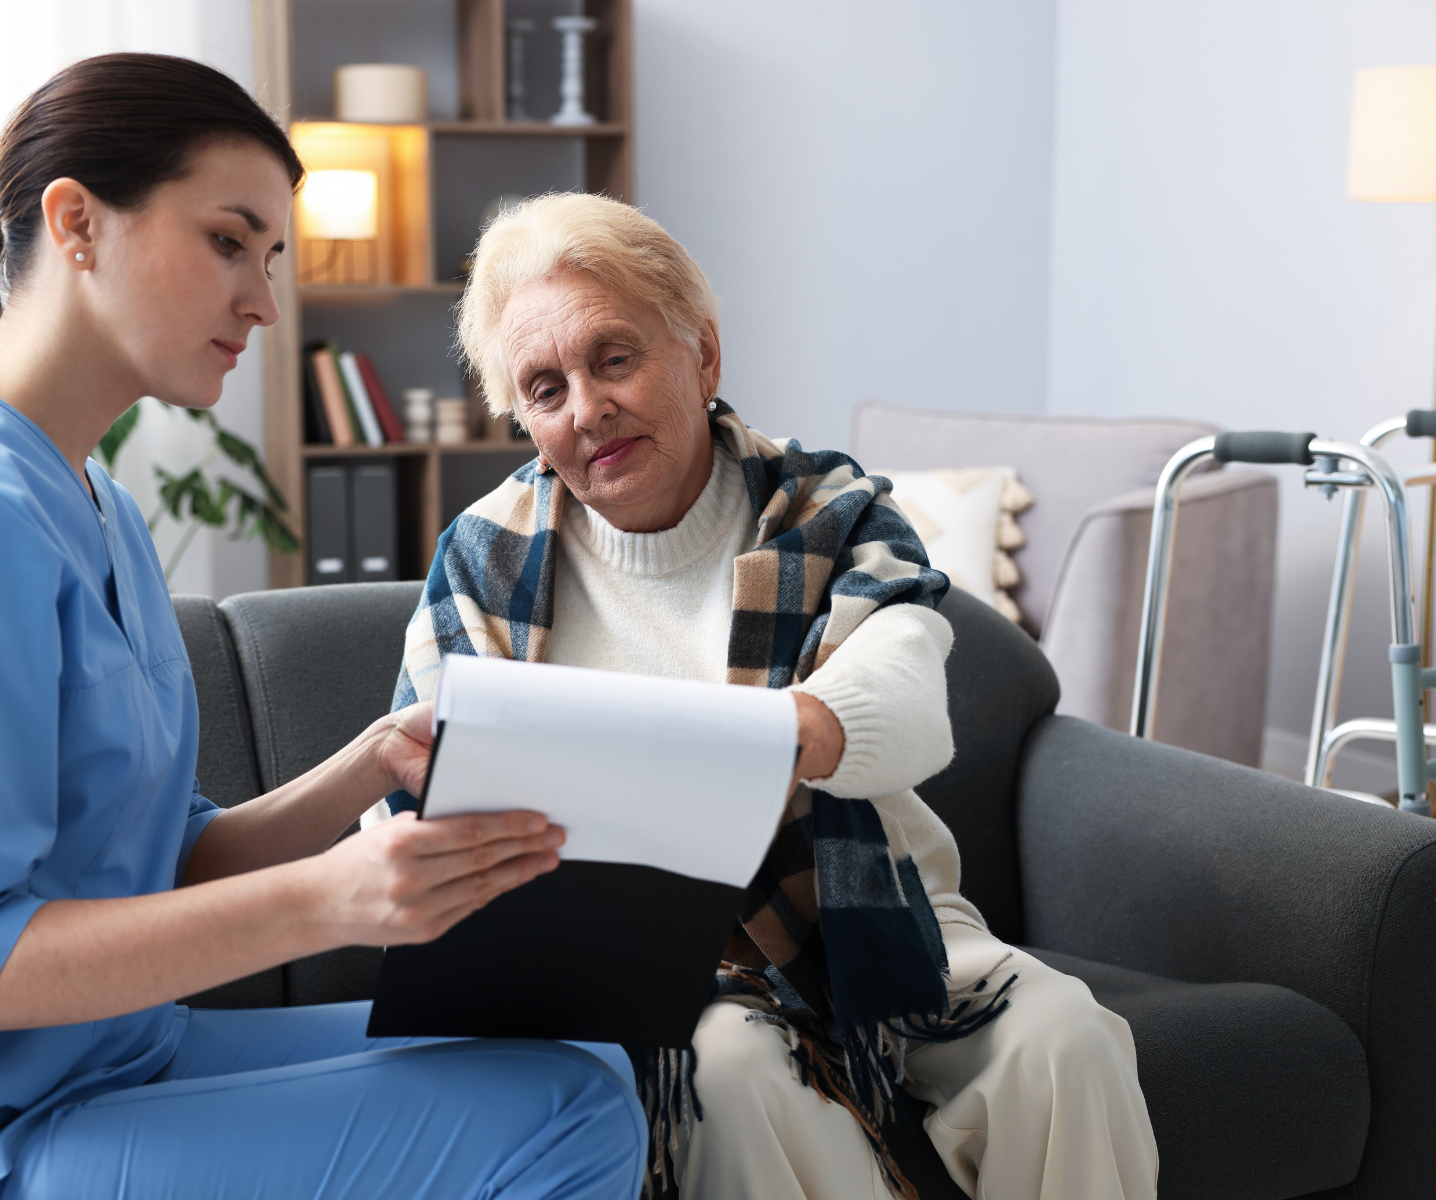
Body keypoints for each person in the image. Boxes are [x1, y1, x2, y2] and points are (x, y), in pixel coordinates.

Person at [0, 54, 645, 1200]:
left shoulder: (95, 504)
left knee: (574, 1067)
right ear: (75, 223)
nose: (263, 300)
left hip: (100, 1061)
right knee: (560, 1114)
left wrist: (362, 767)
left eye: (270, 259)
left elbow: (142, 860)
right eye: (229, 242)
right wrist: (337, 896)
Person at [383, 192, 1159, 1200]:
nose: (586, 409)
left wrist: (766, 735)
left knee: (1067, 1039)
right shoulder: (483, 562)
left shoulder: (833, 511)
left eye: (612, 357)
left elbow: (908, 692)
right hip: (653, 964)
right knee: (733, 1075)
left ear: (701, 353)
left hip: (883, 918)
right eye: (544, 387)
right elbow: (419, 789)